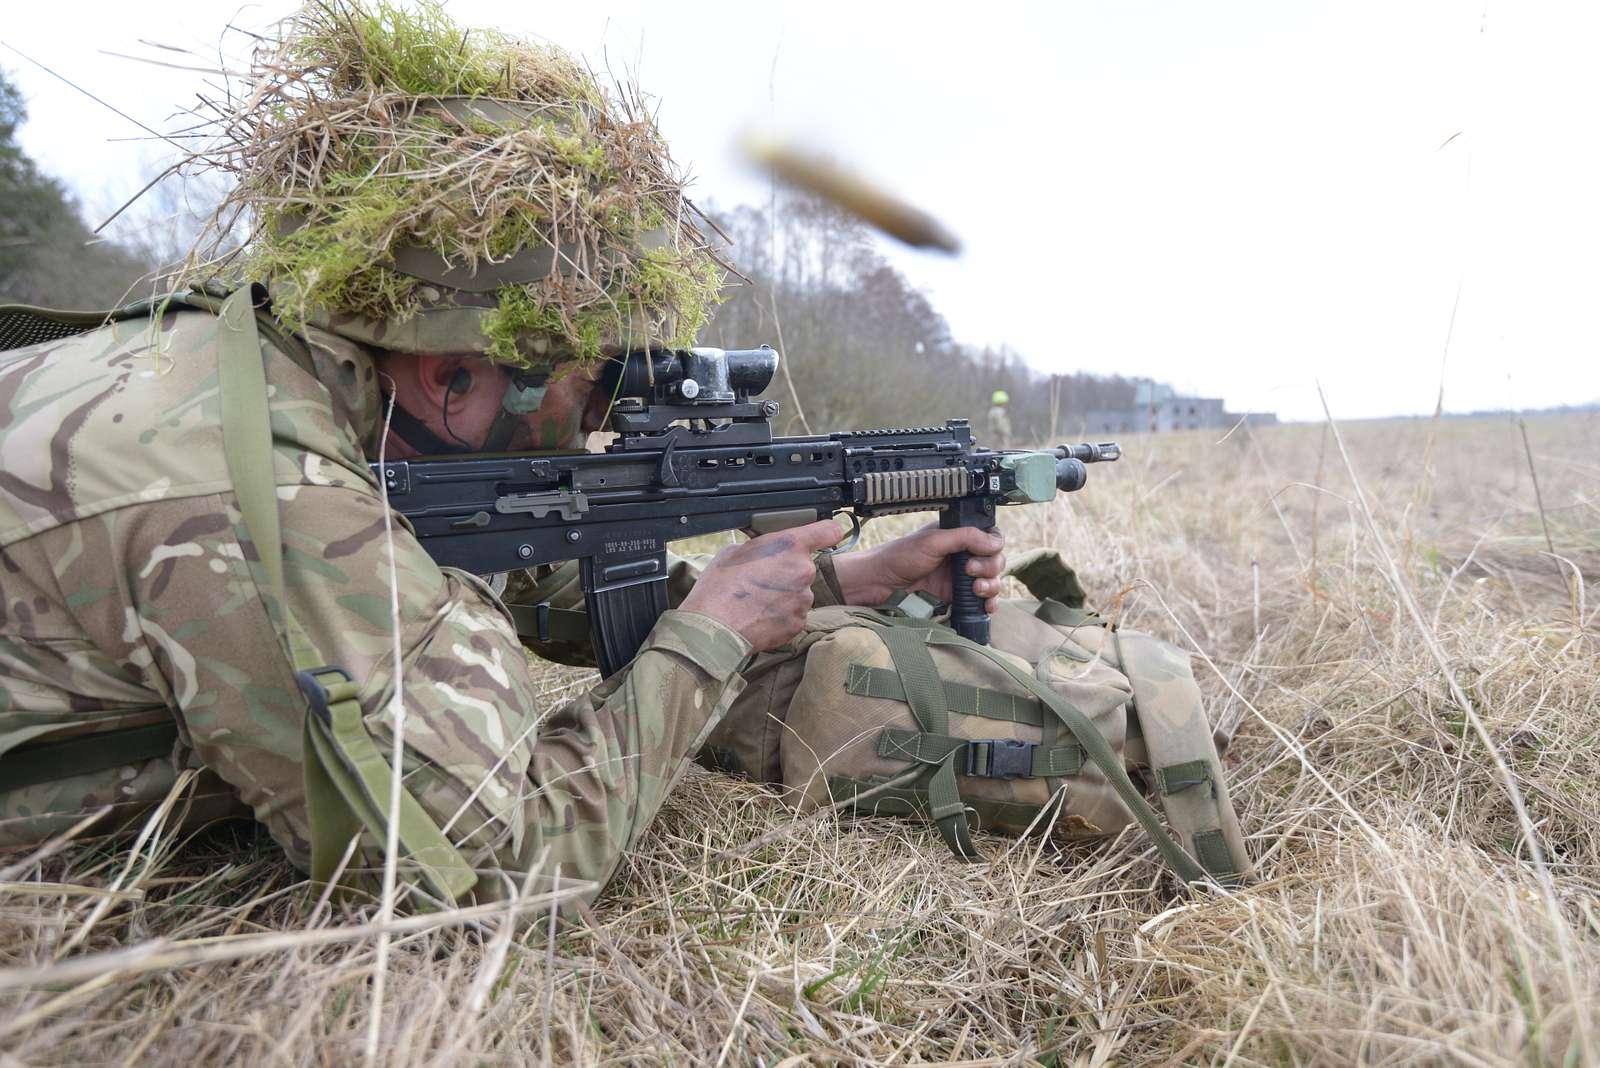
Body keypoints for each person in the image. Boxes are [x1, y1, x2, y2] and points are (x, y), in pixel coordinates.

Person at [0, 4, 1006, 907]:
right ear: (449, 377)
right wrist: (707, 644)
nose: (597, 420)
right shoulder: (260, 492)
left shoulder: (259, 357)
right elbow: (496, 860)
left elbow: (497, 565)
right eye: (583, 382)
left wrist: (834, 577)